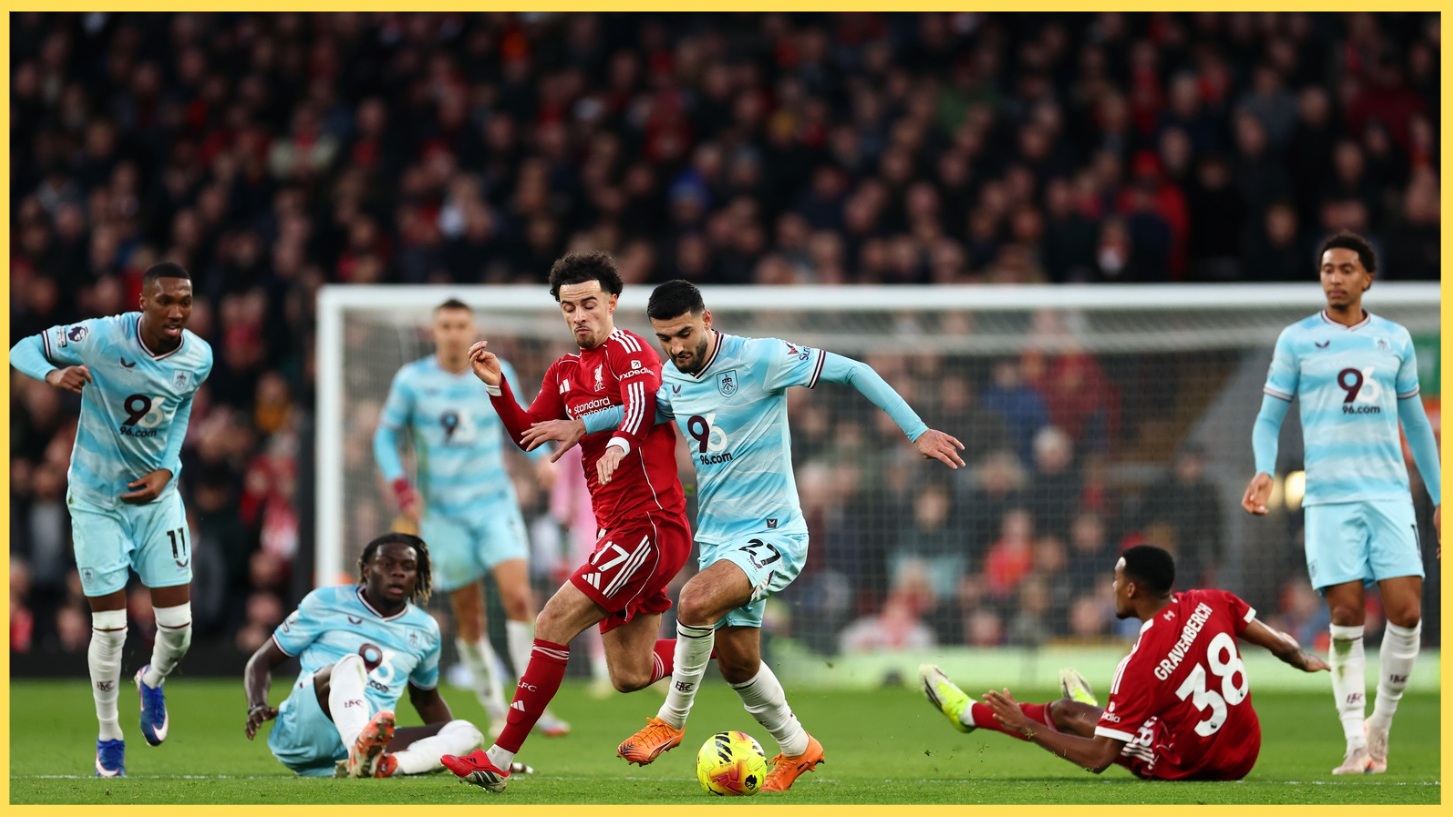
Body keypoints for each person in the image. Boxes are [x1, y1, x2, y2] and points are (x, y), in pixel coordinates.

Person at [544, 279, 965, 791]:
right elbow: (645, 410)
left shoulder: (760, 358)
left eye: (683, 334)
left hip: (775, 533)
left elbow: (854, 370)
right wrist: (581, 427)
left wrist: (916, 430)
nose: (676, 349)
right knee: (741, 662)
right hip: (720, 542)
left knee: (694, 601)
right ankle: (797, 747)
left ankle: (671, 722)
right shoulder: (674, 378)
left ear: (707, 319)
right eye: (665, 340)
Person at [440, 251, 692, 792]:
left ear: (612, 303)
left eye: (589, 303)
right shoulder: (563, 371)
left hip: (650, 524)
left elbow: (643, 402)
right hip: (617, 531)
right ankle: (717, 637)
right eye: (568, 307)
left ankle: (499, 759)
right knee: (629, 673)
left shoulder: (632, 351)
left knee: (551, 622)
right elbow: (530, 432)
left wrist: (619, 442)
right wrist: (496, 386)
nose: (579, 315)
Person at [1241, 230, 1441, 775]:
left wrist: (1441, 495)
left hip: (1387, 492)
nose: (1335, 278)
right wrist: (1263, 468)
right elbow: (1268, 418)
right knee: (1346, 614)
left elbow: (1417, 425)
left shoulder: (1394, 339)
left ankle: (1381, 724)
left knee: (1407, 611)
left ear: (1367, 278)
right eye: (1328, 269)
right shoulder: (1297, 340)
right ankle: (1356, 743)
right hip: (1328, 500)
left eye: (1346, 269)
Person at [9, 261, 213, 778]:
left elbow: (180, 410)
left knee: (179, 629)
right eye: (165, 300)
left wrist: (170, 468)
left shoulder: (199, 357)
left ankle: (151, 681)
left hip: (155, 500)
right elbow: (21, 348)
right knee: (111, 627)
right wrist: (53, 373)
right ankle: (109, 736)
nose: (176, 311)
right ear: (142, 301)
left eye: (184, 301)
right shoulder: (100, 336)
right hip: (97, 501)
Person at [920, 545, 1330, 781]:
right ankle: (1109, 713)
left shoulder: (1140, 663)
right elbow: (1279, 644)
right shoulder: (1214, 600)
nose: (1111, 586)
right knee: (1101, 715)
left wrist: (1026, 727)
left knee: (1064, 713)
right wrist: (1305, 660)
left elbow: (1098, 759)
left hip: (1195, 763)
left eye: (1116, 580)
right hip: (1247, 747)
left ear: (1132, 589)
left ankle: (968, 714)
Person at [372, 298, 567, 738]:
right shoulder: (413, 381)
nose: (455, 333)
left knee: (519, 599)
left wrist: (539, 457)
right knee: (471, 616)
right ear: (434, 331)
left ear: (473, 328)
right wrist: (403, 487)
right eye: (446, 325)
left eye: (462, 324)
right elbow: (384, 438)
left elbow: (520, 421)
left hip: (495, 504)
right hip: (443, 516)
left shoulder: (496, 371)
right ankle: (495, 708)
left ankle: (531, 705)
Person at [244, 532, 502, 778]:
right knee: (349, 664)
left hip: (368, 739)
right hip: (304, 728)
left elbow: (426, 700)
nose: (398, 572)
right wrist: (257, 703)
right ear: (367, 569)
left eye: (408, 566)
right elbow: (262, 661)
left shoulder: (424, 629)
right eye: (387, 564)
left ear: (417, 574)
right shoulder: (325, 601)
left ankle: (387, 765)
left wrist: (466, 757)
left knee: (467, 733)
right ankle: (360, 748)